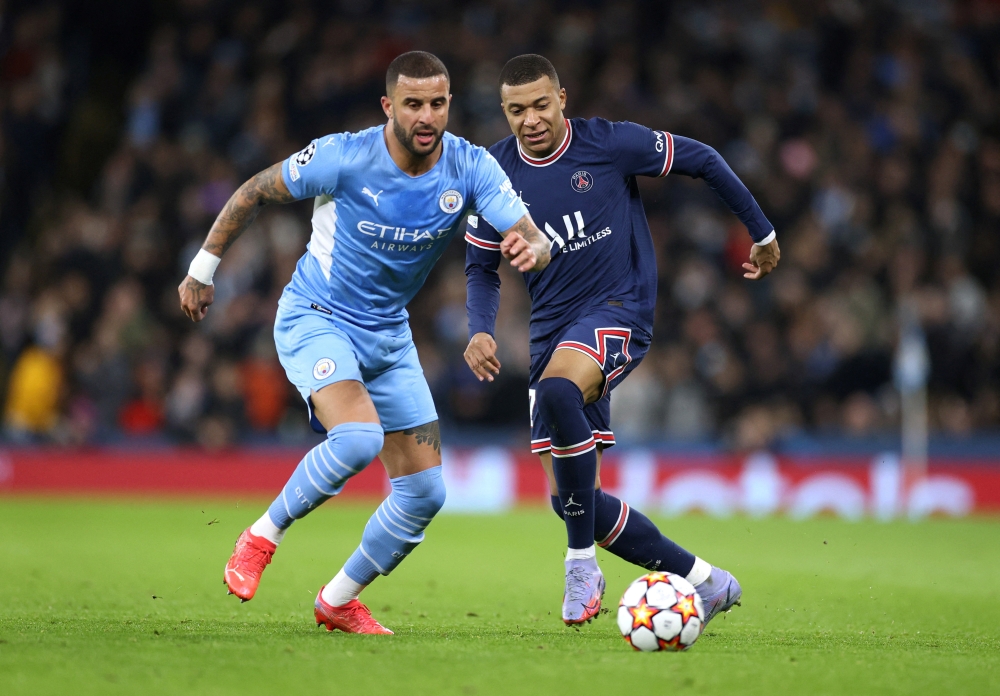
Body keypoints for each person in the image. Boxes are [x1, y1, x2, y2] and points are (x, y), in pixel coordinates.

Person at [178, 51, 550, 635]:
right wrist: (203, 268)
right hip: (316, 316)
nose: (426, 116)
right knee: (357, 438)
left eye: (437, 103)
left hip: (388, 336)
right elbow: (254, 189)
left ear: (449, 104)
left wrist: (534, 249)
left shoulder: (471, 167)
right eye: (413, 104)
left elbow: (530, 233)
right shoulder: (344, 157)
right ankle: (258, 538)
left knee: (425, 492)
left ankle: (337, 599)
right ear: (389, 107)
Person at [463, 55, 780, 626]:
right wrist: (480, 329)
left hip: (619, 309)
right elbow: (481, 268)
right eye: (516, 110)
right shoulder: (492, 173)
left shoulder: (608, 144)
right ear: (503, 112)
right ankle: (708, 582)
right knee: (573, 501)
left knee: (560, 396)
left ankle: (580, 564)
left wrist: (762, 231)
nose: (530, 119)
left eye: (541, 104)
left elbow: (703, 160)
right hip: (550, 333)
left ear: (562, 97)